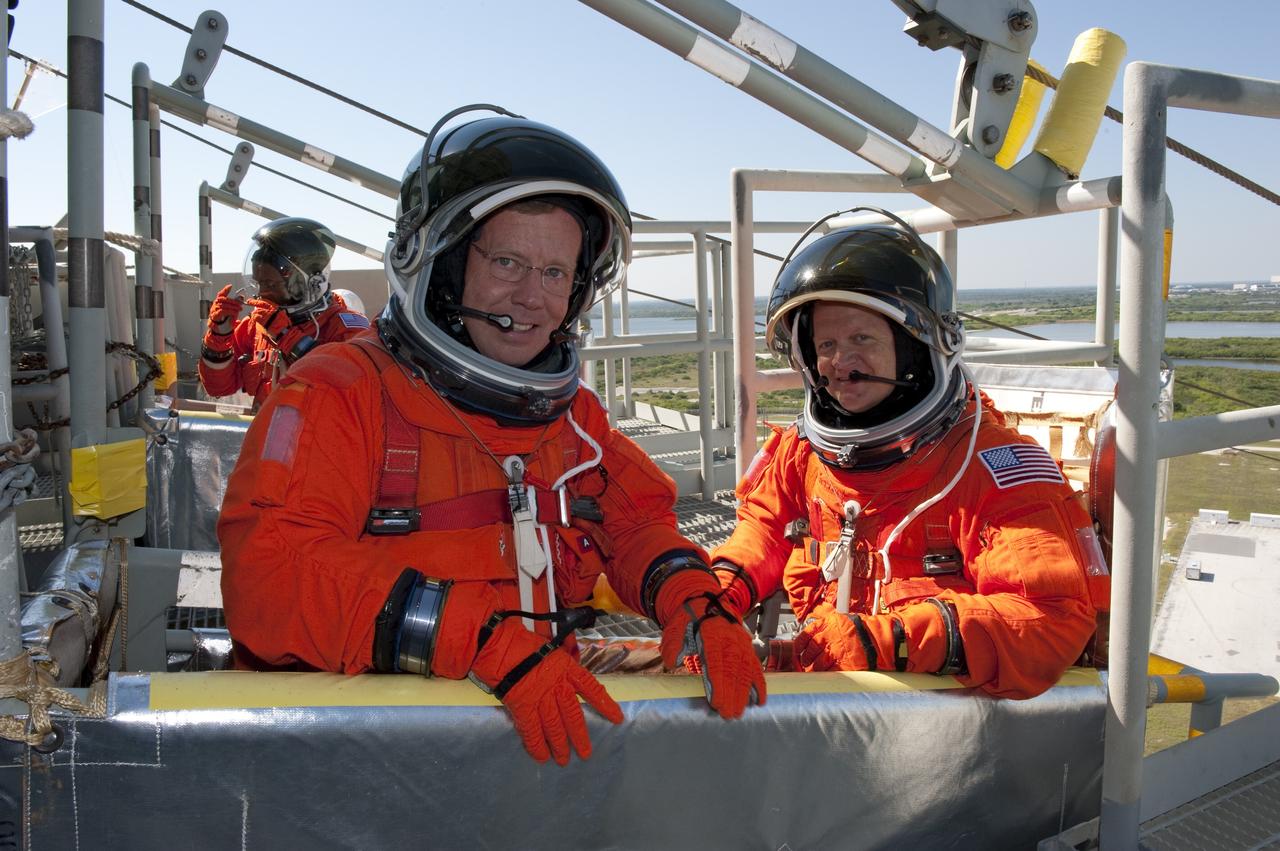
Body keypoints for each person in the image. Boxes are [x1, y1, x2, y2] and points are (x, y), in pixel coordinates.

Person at [218, 108, 765, 766]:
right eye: (508, 261)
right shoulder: (337, 393)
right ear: (441, 266)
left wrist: (693, 597)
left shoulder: (573, 422)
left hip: (534, 734)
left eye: (556, 273)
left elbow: (637, 524)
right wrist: (473, 635)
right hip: (373, 757)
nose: (533, 296)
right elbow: (271, 579)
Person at [710, 215, 1109, 699]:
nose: (841, 363)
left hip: (936, 712)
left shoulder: (990, 466)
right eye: (826, 345)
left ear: (917, 346)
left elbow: (1051, 619)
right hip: (829, 683)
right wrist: (718, 593)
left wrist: (892, 641)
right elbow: (764, 527)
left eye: (861, 339)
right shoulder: (802, 450)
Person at [198, 216, 369, 410]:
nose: (261, 293)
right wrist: (219, 337)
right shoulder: (257, 326)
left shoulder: (347, 330)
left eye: (270, 284)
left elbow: (353, 394)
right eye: (259, 283)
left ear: (311, 282)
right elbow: (217, 388)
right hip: (268, 436)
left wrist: (289, 339)